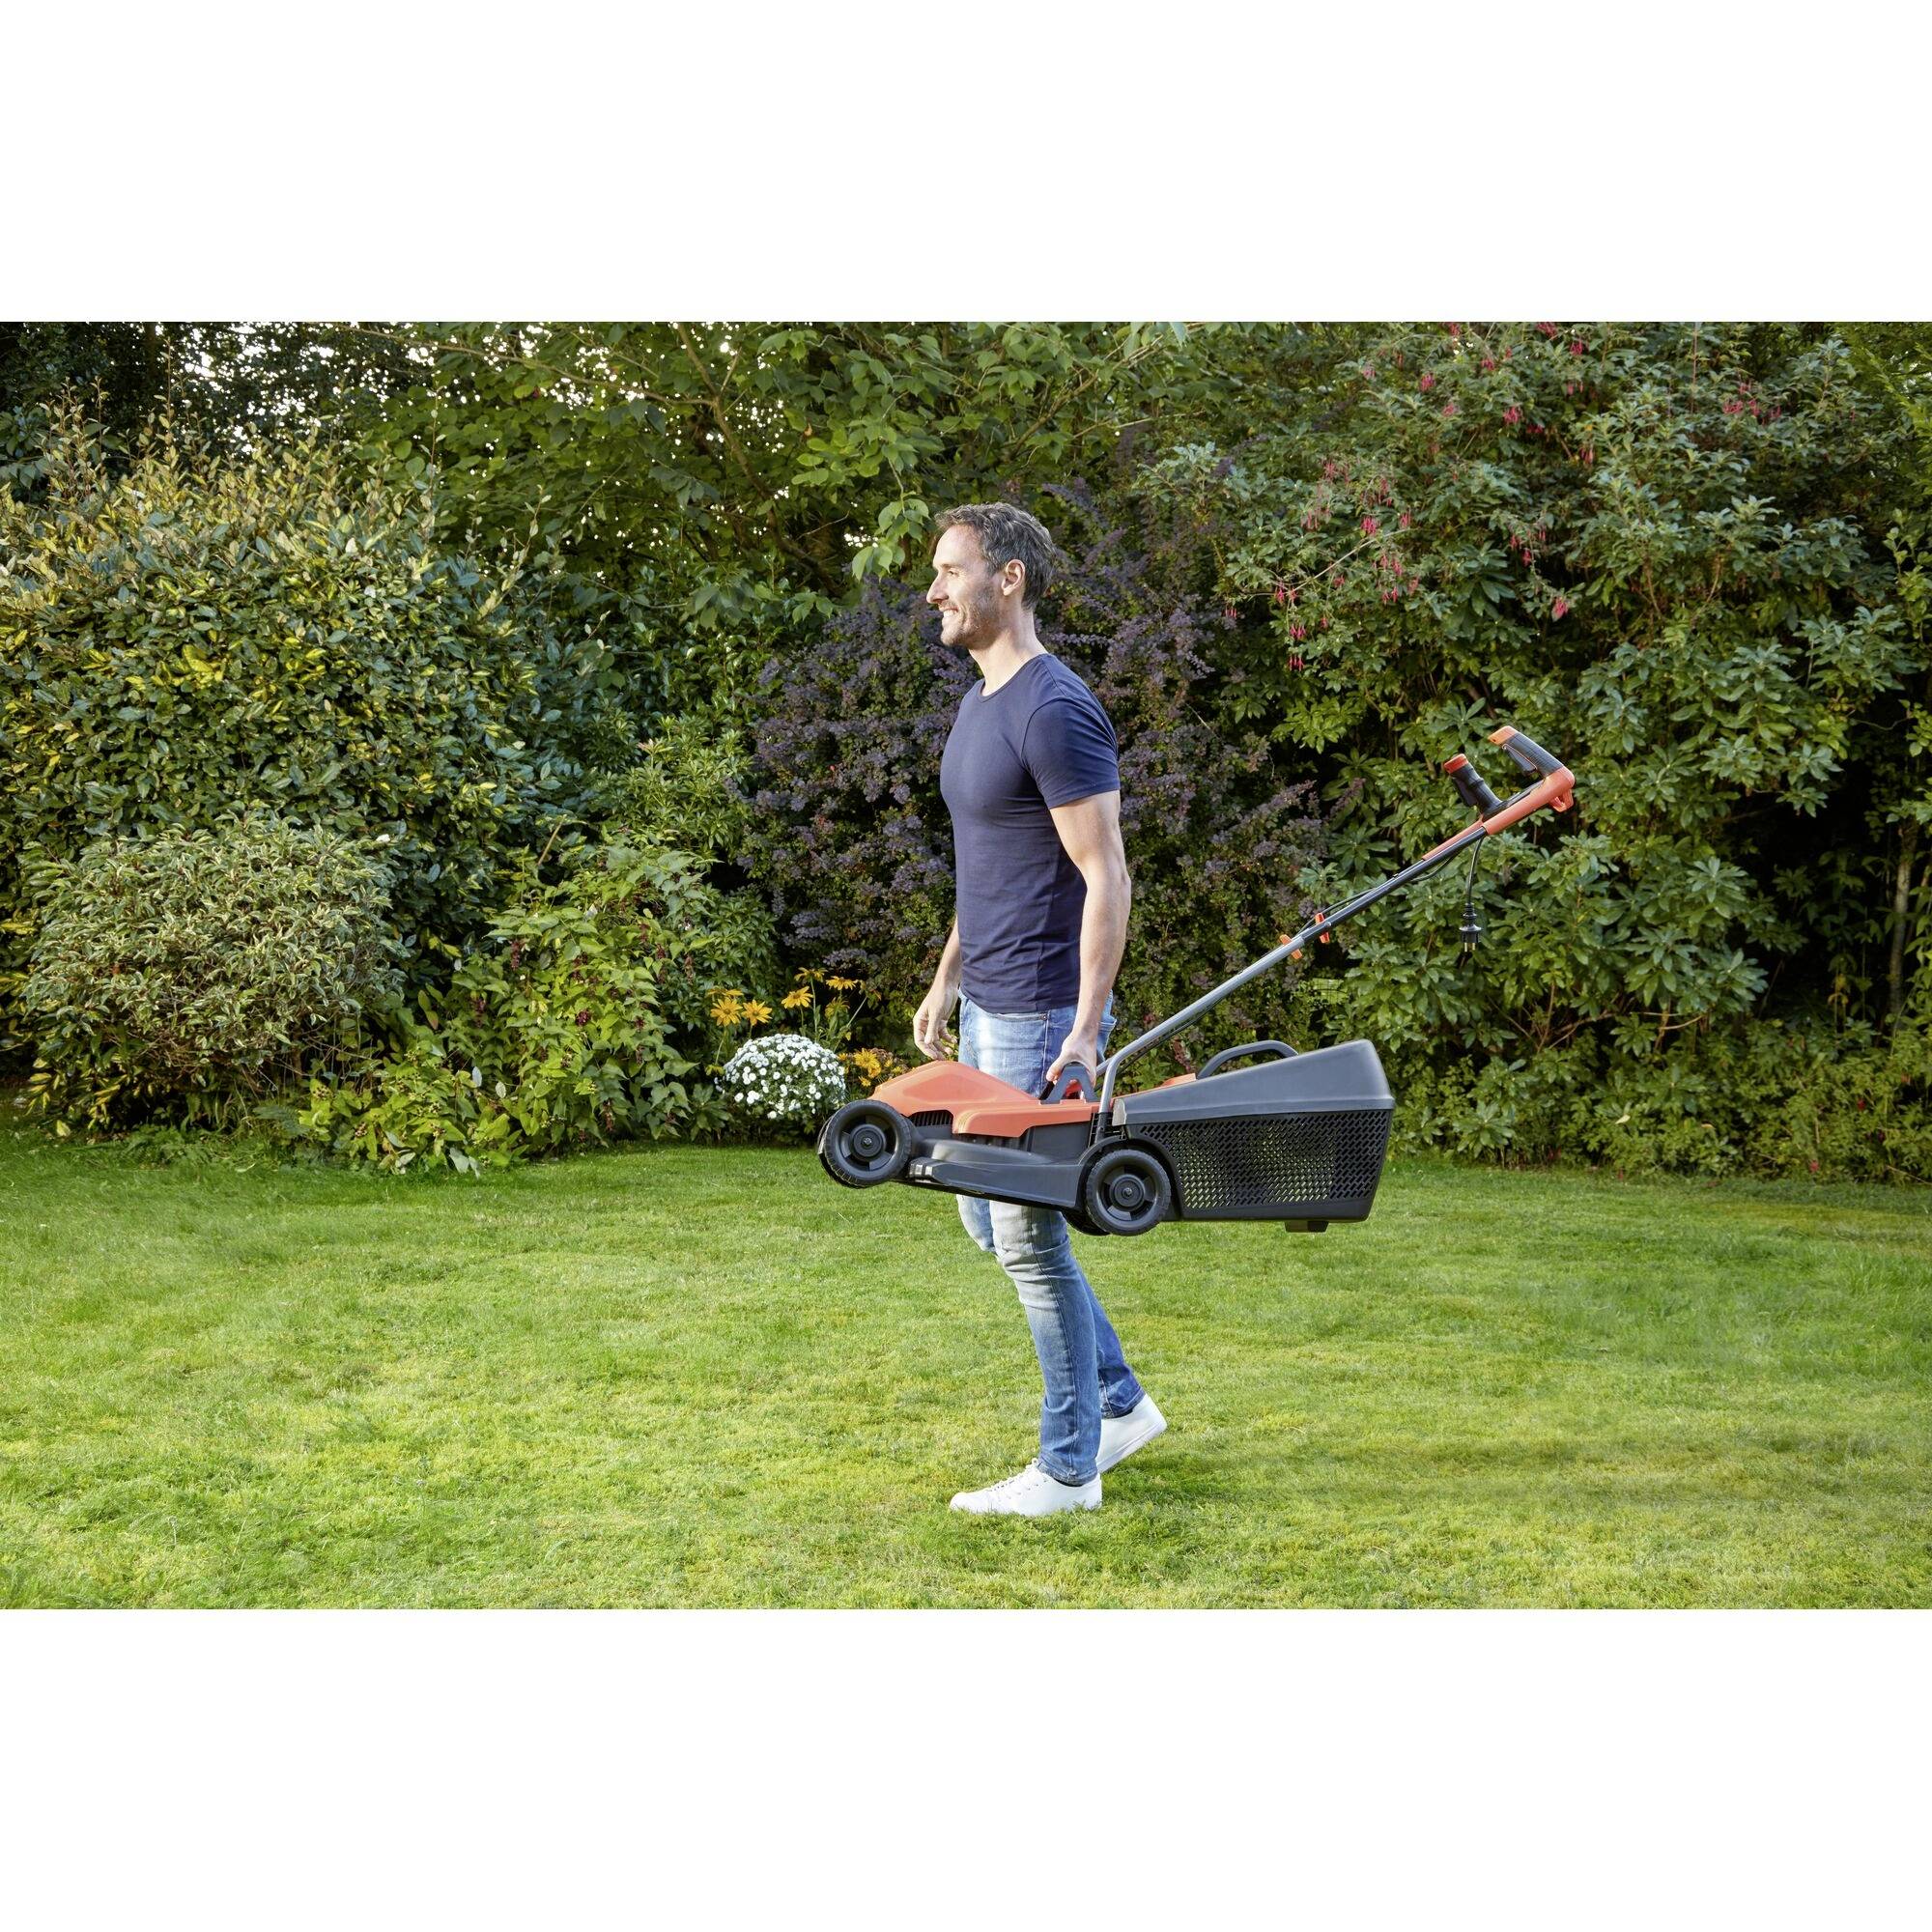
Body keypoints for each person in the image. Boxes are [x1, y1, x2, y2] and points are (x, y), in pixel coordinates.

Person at [914, 502, 1167, 1517]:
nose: (932, 590)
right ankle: (1118, 1400)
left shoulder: (1053, 707)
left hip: (1037, 1013)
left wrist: (1082, 1026)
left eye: (947, 570)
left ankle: (1069, 1466)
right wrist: (946, 976)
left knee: (1024, 1235)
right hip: (986, 1002)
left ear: (1006, 578)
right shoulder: (981, 702)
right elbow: (990, 865)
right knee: (987, 1223)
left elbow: (1104, 874)